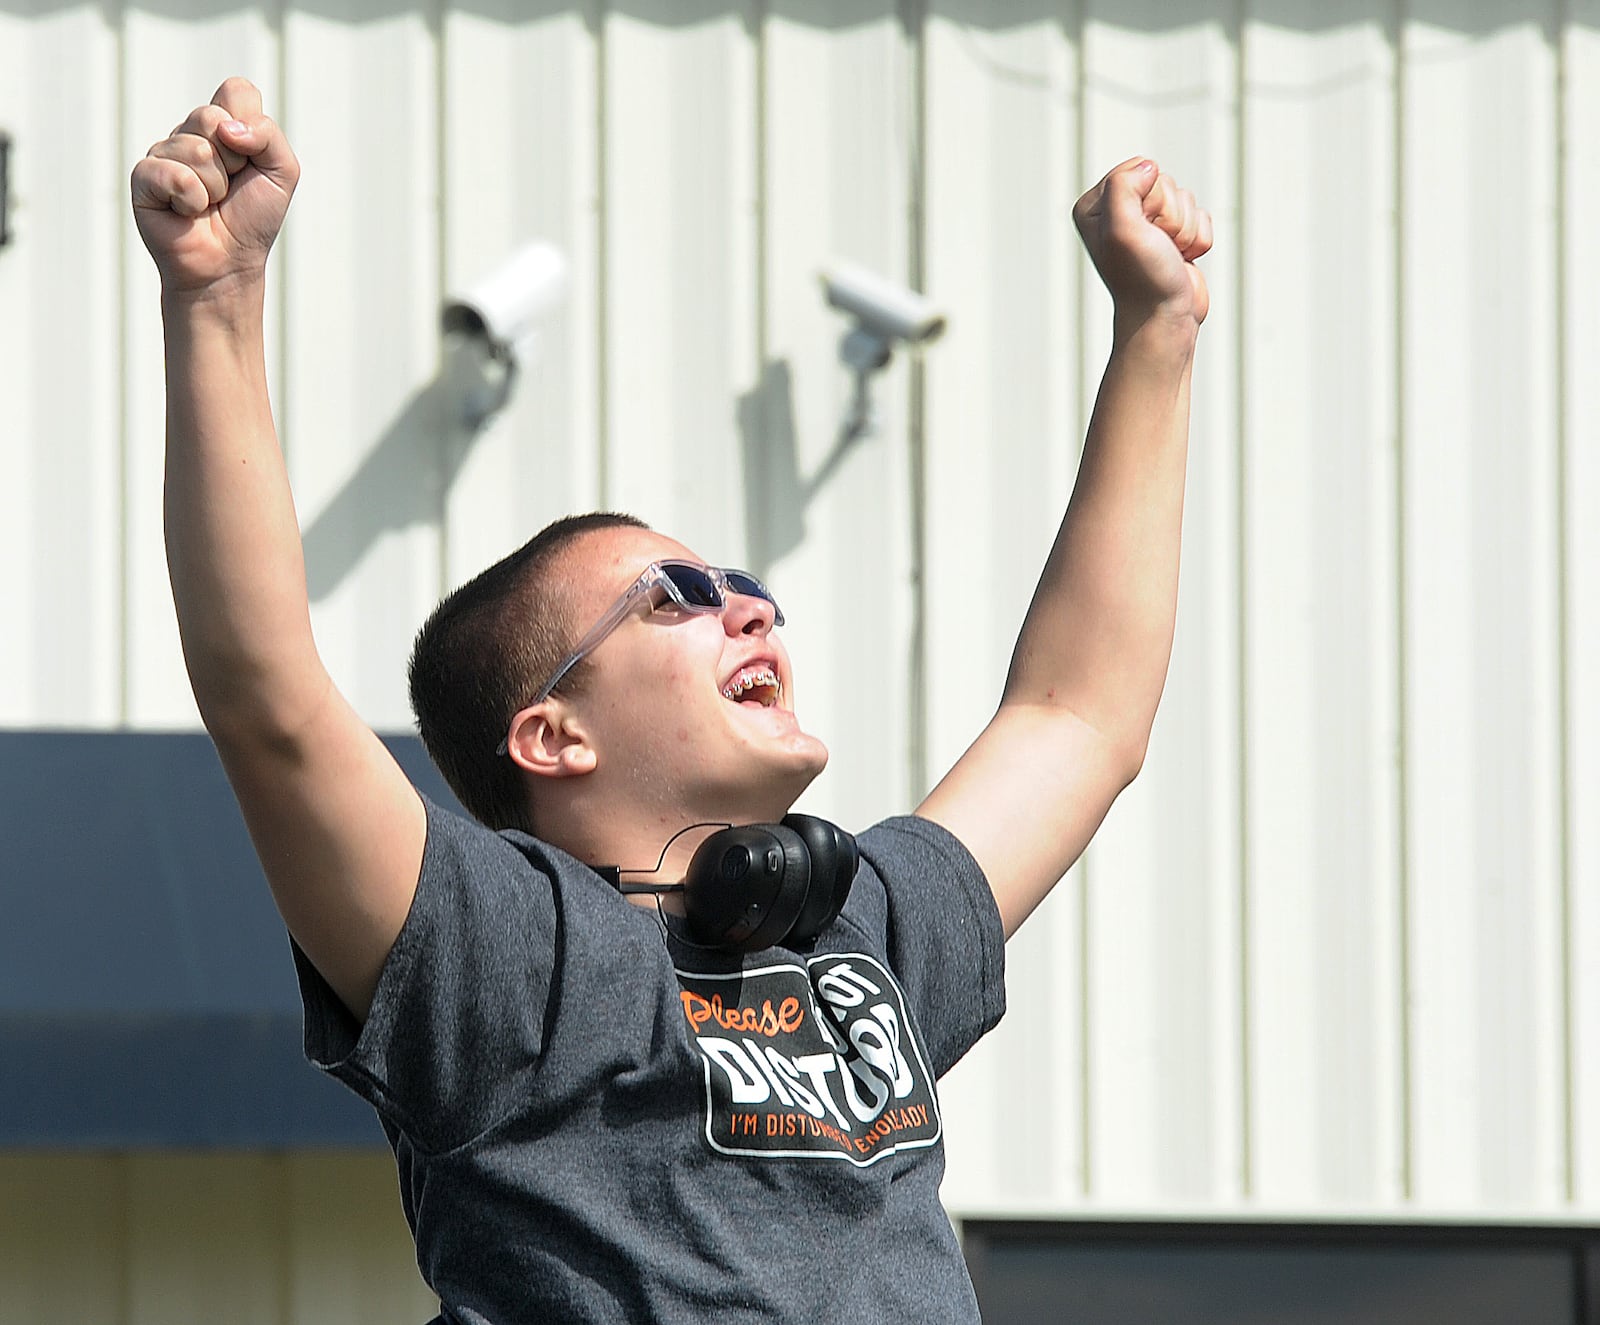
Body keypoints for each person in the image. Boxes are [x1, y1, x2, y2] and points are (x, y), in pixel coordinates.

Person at [131, 76, 1210, 1325]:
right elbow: (268, 696)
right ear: (553, 731)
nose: (751, 610)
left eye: (743, 585)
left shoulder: (857, 930)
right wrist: (214, 298)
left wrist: (1160, 331)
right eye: (674, 596)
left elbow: (1076, 717)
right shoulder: (505, 956)